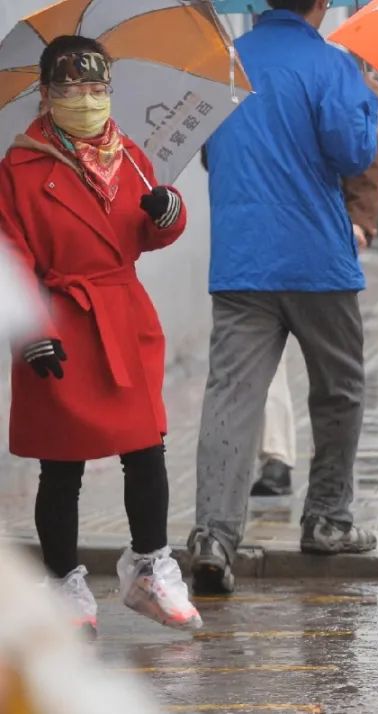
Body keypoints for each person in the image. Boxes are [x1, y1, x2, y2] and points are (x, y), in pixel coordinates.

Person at [0, 37, 201, 633]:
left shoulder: (128, 153)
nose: (87, 101)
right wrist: (28, 330)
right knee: (61, 466)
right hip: (58, 322)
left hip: (123, 316)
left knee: (147, 447)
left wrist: (170, 213)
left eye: (97, 89)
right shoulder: (19, 167)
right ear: (45, 93)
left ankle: (149, 567)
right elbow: (9, 257)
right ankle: (63, 582)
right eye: (71, 89)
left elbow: (143, 230)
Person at [188, 0, 378, 595]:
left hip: (242, 259)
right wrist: (367, 99)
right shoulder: (333, 67)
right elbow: (353, 154)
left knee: (231, 397)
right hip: (315, 260)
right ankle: (326, 518)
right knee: (339, 391)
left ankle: (213, 537)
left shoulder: (220, 65)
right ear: (320, 5)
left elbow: (205, 152)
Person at [250, 140, 378, 498]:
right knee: (265, 358)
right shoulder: (245, 87)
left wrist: (359, 220)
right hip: (263, 232)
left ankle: (328, 489)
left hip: (325, 243)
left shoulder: (347, 84)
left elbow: (366, 150)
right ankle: (276, 458)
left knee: (334, 376)